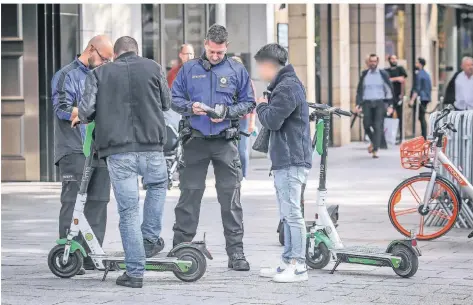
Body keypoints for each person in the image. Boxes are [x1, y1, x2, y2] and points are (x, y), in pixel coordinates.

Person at [76, 36, 171, 288]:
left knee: (128, 212)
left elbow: (85, 113)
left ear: (115, 54)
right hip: (152, 148)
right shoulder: (154, 67)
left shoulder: (99, 74)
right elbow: (166, 102)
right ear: (136, 51)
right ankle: (149, 239)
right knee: (158, 187)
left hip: (118, 152)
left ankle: (135, 273)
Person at [171, 24, 255, 271]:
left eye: (220, 52)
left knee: (231, 199)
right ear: (205, 44)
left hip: (225, 142)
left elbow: (249, 102)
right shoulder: (188, 70)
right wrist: (190, 107)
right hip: (195, 141)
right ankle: (180, 248)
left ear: (226, 47)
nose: (216, 56)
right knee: (189, 196)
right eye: (212, 51)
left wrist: (228, 112)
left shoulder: (237, 70)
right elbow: (173, 99)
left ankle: (236, 253)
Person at [51, 34, 113, 275]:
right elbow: (62, 109)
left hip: (99, 148)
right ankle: (69, 256)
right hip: (73, 148)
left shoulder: (104, 75)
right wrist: (89, 112)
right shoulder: (66, 75)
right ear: (91, 49)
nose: (106, 63)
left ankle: (91, 256)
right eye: (104, 58)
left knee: (98, 201)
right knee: (72, 201)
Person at [254, 43, 312, 283]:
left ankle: (299, 266)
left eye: (260, 67)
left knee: (293, 214)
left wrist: (261, 106)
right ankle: (288, 261)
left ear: (269, 65)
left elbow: (272, 120)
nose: (259, 72)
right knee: (287, 214)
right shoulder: (284, 85)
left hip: (291, 160)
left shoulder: (287, 87)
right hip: (286, 159)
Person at [356, 54, 394, 158]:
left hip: (379, 103)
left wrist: (390, 105)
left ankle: (375, 149)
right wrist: (358, 104)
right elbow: (359, 90)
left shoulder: (383, 74)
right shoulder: (364, 74)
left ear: (377, 62)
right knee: (366, 124)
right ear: (368, 62)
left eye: (374, 61)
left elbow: (389, 90)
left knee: (378, 126)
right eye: (371, 61)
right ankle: (374, 142)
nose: (373, 63)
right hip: (367, 103)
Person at [231, 56, 256, 181]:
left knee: (241, 148)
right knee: (230, 149)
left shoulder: (247, 81)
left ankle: (243, 176)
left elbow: (252, 103)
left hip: (243, 119)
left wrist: (252, 122)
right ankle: (233, 174)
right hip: (229, 119)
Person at [164, 44, 195, 131]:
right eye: (186, 54)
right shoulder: (173, 73)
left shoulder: (201, 71)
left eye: (191, 54)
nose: (189, 57)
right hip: (179, 114)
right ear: (181, 55)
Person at [386, 54, 408, 143]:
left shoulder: (400, 69)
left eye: (395, 59)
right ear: (389, 60)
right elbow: (387, 80)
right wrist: (396, 79)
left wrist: (402, 95)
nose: (394, 60)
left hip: (398, 96)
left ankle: (401, 137)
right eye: (392, 59)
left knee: (400, 116)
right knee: (388, 115)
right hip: (389, 97)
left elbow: (403, 80)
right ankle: (389, 137)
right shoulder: (386, 70)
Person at [408, 57, 432, 139]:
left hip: (421, 99)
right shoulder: (426, 74)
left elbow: (417, 88)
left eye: (417, 63)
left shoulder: (419, 74)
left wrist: (412, 100)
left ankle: (424, 136)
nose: (415, 64)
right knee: (422, 117)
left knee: (421, 117)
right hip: (426, 98)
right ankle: (424, 135)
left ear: (420, 64)